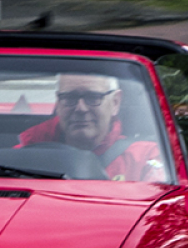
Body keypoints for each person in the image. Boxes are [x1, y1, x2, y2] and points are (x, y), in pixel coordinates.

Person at [15, 73, 166, 182]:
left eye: (93, 97)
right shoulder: (23, 156)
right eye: (70, 98)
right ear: (58, 103)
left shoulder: (146, 159)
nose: (81, 108)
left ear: (115, 103)